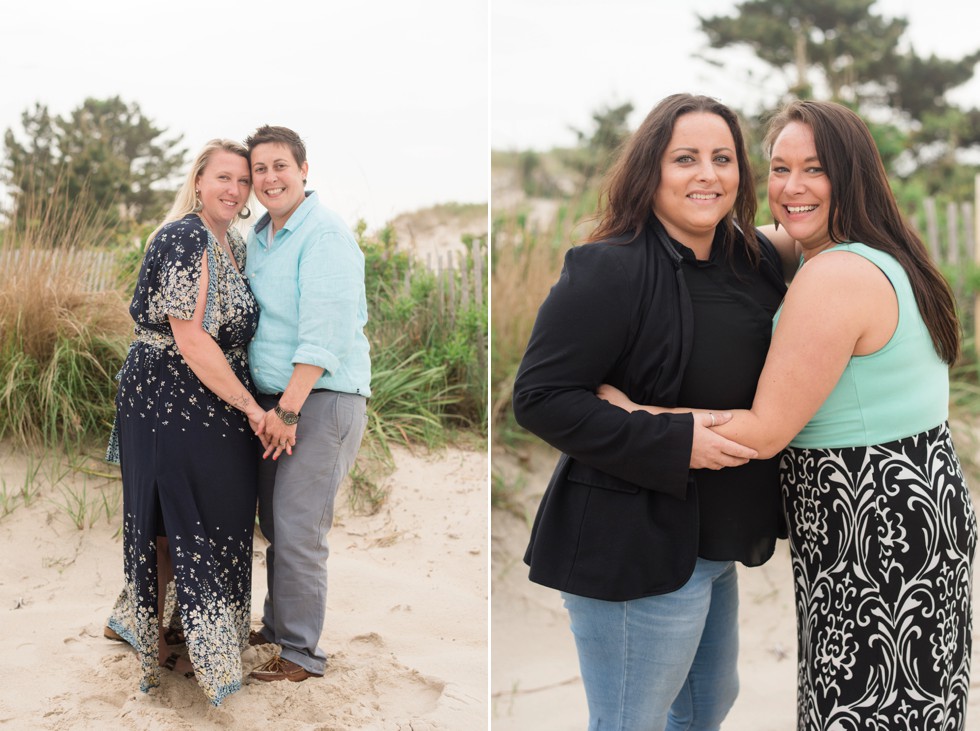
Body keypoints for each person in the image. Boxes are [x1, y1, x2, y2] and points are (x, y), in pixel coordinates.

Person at [599, 99, 977, 730]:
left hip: (873, 528)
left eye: (815, 170)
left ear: (851, 176)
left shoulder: (834, 276)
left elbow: (766, 432)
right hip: (915, 506)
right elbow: (732, 238)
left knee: (862, 712)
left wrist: (632, 411)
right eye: (778, 169)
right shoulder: (870, 248)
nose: (792, 188)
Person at [511, 93, 794, 730]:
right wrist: (671, 436)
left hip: (713, 542)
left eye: (723, 159)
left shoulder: (754, 263)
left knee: (704, 711)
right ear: (650, 170)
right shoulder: (607, 267)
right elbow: (540, 399)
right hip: (631, 543)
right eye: (685, 158)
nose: (707, 175)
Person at [104, 139, 265, 706]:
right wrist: (251, 406)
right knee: (170, 513)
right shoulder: (183, 236)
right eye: (224, 177)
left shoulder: (234, 244)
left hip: (214, 394)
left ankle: (187, 631)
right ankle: (167, 643)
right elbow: (190, 337)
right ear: (199, 180)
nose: (235, 190)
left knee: (208, 510)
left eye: (243, 181)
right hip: (168, 393)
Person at [242, 125, 370, 683]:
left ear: (303, 170)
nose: (270, 179)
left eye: (280, 167)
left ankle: (299, 653)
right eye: (259, 170)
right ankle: (276, 629)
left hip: (320, 400)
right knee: (276, 522)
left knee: (298, 525)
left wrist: (289, 410)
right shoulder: (264, 238)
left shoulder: (324, 234)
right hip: (277, 401)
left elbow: (325, 332)